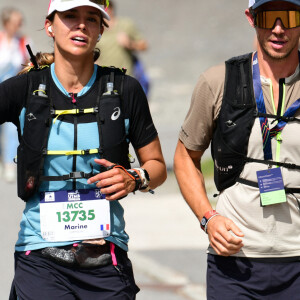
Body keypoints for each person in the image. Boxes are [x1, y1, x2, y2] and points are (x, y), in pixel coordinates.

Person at [1, 0, 166, 299]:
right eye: (70, 16)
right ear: (49, 25)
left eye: (91, 18)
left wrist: (136, 177)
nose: (81, 25)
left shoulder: (124, 89)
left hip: (104, 256)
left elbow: (156, 165)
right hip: (40, 257)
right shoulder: (25, 88)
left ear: (101, 29)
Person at [174, 0, 300, 299]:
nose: (278, 28)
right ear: (251, 17)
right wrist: (208, 218)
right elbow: (185, 157)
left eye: (289, 16)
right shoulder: (218, 81)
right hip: (235, 263)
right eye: (269, 16)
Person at [0, 7, 29, 183]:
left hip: (12, 91)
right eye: (15, 23)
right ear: (7, 23)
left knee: (12, 127)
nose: (18, 26)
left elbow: (26, 65)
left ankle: (10, 163)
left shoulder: (23, 41)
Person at [95, 1, 150, 95]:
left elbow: (144, 46)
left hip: (126, 79)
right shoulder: (96, 29)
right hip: (105, 81)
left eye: (105, 9)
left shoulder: (125, 25)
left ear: (111, 9)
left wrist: (131, 44)